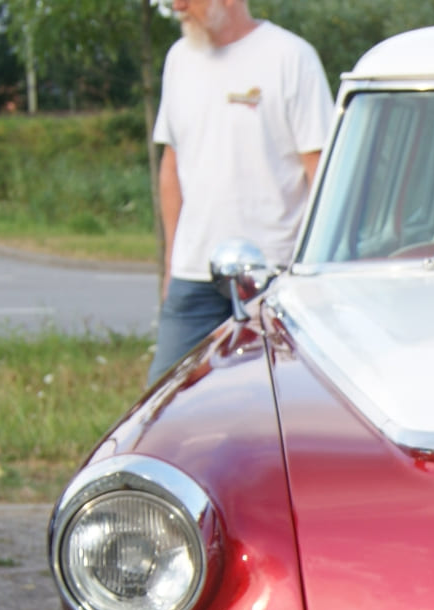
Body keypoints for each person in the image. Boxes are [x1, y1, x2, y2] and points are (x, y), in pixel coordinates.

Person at [149, 0, 334, 383]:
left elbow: (321, 172)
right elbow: (172, 164)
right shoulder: (179, 59)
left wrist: (321, 269)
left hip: (273, 277)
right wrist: (170, 264)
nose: (175, 5)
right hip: (193, 275)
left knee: (273, 404)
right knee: (162, 407)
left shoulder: (290, 57)